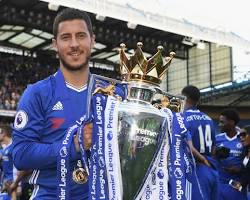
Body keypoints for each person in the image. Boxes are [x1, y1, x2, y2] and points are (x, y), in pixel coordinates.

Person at [12, 8, 94, 200]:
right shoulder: (37, 93)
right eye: (66, 37)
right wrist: (74, 145)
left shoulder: (111, 94)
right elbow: (21, 155)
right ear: (55, 44)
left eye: (81, 36)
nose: (74, 44)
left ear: (93, 40)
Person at [181, 85, 219, 200]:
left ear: (184, 98)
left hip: (196, 168)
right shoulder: (208, 119)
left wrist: (202, 159)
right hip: (211, 170)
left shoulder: (182, 118)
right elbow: (213, 148)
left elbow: (188, 147)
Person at [215, 109, 247, 200]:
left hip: (237, 185)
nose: (219, 125)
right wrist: (215, 154)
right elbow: (210, 158)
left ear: (232, 122)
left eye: (222, 122)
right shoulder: (217, 139)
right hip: (220, 183)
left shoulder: (243, 139)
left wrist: (240, 169)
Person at [0, 125, 18, 200]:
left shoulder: (14, 147)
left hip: (13, 183)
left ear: (3, 134)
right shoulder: (5, 148)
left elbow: (20, 167)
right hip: (5, 182)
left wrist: (18, 184)